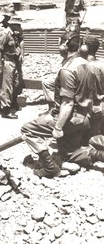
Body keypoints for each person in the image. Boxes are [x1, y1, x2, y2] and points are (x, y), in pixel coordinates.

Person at [21, 33, 97, 178]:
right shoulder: (87, 64)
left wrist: (58, 128)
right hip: (84, 118)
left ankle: (50, 168)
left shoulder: (67, 70)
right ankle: (98, 155)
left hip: (70, 119)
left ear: (64, 45)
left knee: (27, 130)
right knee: (69, 153)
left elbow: (67, 103)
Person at [0, 19, 24, 119]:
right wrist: (0, 66)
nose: (18, 28)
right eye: (16, 26)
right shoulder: (5, 35)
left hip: (14, 62)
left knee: (16, 84)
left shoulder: (15, 36)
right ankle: (5, 110)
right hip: (7, 62)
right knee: (7, 87)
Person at [82, 36, 104, 137]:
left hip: (88, 110)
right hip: (101, 107)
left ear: (85, 47)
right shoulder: (102, 64)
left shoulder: (84, 66)